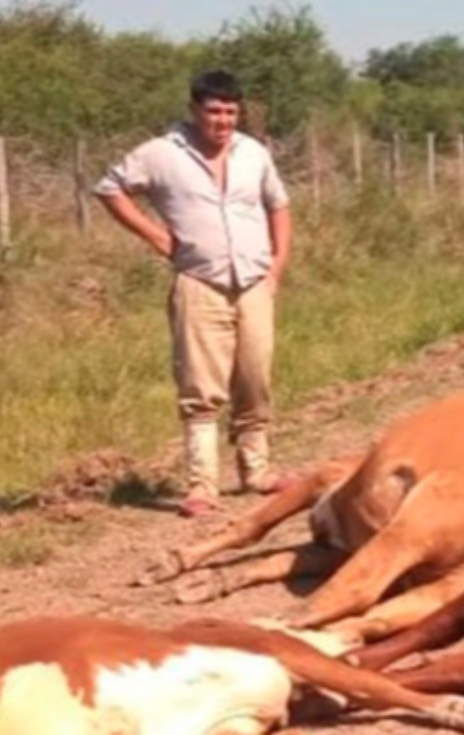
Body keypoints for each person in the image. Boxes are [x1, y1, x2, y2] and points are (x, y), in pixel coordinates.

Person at [95, 70, 293, 518]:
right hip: (200, 282)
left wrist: (278, 264)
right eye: (213, 110)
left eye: (230, 111)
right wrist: (155, 236)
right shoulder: (162, 154)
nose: (222, 120)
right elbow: (109, 189)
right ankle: (202, 485)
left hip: (254, 281)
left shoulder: (253, 153)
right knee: (201, 388)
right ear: (194, 110)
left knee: (255, 378)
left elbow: (278, 204)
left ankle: (256, 470)